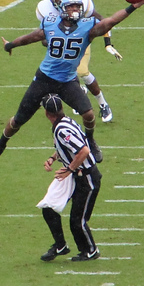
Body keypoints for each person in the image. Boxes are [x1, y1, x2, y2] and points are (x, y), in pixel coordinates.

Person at [0, 0, 144, 170]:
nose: (75, 10)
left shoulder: (87, 27)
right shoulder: (50, 23)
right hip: (44, 78)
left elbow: (111, 21)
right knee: (18, 120)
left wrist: (132, 8)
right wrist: (11, 45)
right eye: (71, 7)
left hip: (67, 81)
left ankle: (90, 140)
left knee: (88, 115)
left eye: (77, 7)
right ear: (62, 9)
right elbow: (31, 38)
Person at [35, 0, 122, 124]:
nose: (60, 0)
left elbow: (104, 23)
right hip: (60, 48)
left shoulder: (82, 4)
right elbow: (43, 38)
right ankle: (78, 91)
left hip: (79, 42)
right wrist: (52, 41)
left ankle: (103, 104)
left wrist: (108, 43)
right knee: (56, 77)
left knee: (82, 72)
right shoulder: (44, 9)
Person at [38, 94, 102, 262]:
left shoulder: (62, 129)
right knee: (48, 207)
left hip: (86, 176)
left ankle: (90, 250)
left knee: (77, 221)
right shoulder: (65, 122)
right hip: (73, 174)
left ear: (47, 113)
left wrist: (69, 168)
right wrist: (52, 158)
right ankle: (60, 245)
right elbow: (67, 147)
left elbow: (84, 151)